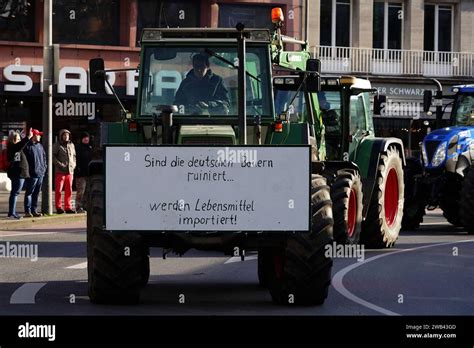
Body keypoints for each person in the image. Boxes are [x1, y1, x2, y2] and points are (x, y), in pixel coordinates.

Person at [6, 128, 33, 219]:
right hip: (18, 173)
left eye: (19, 139)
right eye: (17, 139)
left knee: (15, 193)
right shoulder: (13, 147)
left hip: (19, 173)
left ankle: (12, 212)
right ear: (13, 140)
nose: (19, 141)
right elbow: (21, 145)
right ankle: (12, 213)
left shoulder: (14, 147)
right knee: (15, 193)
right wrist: (28, 137)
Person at [23, 129, 47, 217]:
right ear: (33, 136)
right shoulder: (27, 146)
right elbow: (24, 160)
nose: (40, 136)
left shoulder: (40, 146)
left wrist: (44, 168)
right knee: (29, 192)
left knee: (36, 193)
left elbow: (44, 158)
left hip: (40, 173)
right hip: (32, 174)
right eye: (38, 135)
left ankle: (34, 210)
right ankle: (27, 211)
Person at [53, 129, 76, 214]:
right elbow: (53, 157)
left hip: (70, 171)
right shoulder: (57, 145)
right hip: (60, 172)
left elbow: (74, 156)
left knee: (69, 190)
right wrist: (60, 165)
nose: (66, 137)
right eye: (64, 135)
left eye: (67, 135)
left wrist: (74, 165)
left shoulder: (71, 145)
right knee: (58, 190)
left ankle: (68, 207)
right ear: (61, 136)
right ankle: (59, 207)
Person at [74, 131, 92, 213]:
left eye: (87, 137)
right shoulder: (77, 148)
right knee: (81, 191)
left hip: (89, 173)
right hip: (80, 173)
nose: (86, 139)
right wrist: (78, 168)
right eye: (84, 137)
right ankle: (78, 207)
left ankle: (85, 206)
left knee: (88, 191)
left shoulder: (90, 148)